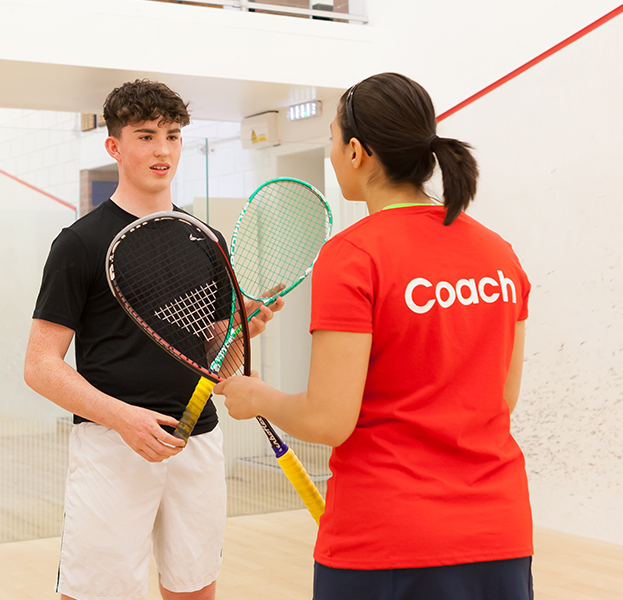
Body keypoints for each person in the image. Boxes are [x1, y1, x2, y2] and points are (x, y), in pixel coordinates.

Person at [215, 72, 533, 600]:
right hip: (498, 532)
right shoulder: (497, 252)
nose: (334, 153)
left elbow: (327, 419)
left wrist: (257, 397)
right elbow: (504, 398)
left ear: (358, 151)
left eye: (335, 139)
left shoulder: (353, 255)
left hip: (387, 540)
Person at [24, 79, 283, 600]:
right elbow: (41, 366)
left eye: (173, 134)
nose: (162, 149)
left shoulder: (205, 238)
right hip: (112, 446)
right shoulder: (80, 243)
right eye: (145, 135)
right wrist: (124, 419)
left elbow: (217, 363)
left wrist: (241, 334)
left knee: (194, 590)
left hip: (198, 442)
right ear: (114, 146)